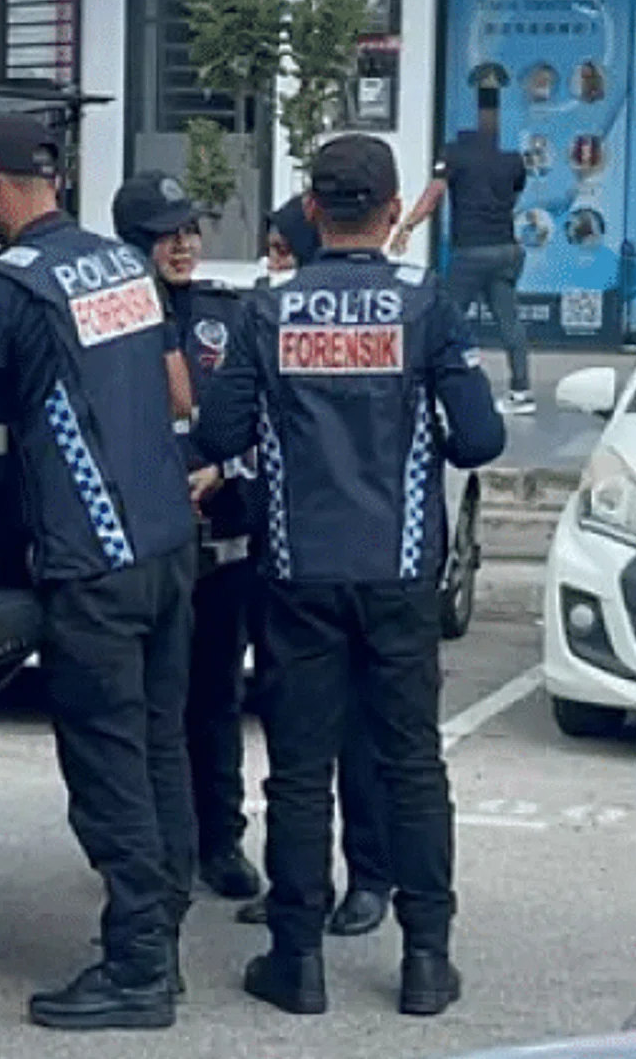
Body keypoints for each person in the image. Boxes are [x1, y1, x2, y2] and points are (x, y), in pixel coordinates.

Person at [194, 134, 506, 1018]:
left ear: (315, 209)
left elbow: (218, 435)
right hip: (402, 572)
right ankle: (424, 964)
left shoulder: (270, 308)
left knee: (298, 771)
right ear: (393, 203)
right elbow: (481, 439)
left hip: (297, 571)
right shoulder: (425, 304)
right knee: (411, 765)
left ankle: (295, 963)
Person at [0, 116, 199, 1032]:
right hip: (169, 546)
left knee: (107, 765)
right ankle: (161, 935)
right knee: (160, 745)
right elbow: (168, 391)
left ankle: (136, 970)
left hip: (92, 560)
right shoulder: (121, 264)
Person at [235, 194, 395, 940]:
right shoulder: (268, 319)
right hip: (295, 556)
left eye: (277, 249)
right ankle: (299, 884)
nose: (271, 264)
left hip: (363, 559)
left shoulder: (370, 314)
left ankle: (369, 878)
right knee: (296, 746)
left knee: (357, 741)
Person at [111, 171, 264, 904]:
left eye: (191, 231)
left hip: (219, 546)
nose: (184, 245)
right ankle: (149, 847)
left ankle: (220, 841)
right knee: (145, 706)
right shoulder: (109, 319)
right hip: (140, 545)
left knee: (215, 700)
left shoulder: (225, 315)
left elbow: (258, 415)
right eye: (167, 234)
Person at [391, 86, 535, 415]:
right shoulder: (512, 157)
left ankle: (435, 392)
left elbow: (434, 193)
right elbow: (514, 195)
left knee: (445, 319)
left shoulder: (455, 152)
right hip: (506, 249)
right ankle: (521, 392)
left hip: (472, 250)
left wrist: (408, 226)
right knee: (509, 321)